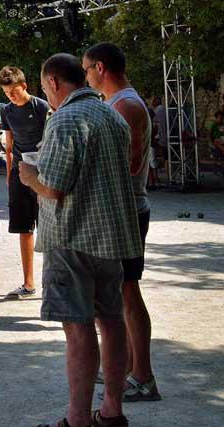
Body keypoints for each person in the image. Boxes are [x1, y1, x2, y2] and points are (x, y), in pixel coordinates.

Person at [18, 54, 141, 427]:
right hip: (112, 238)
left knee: (77, 327)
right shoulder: (112, 116)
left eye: (44, 88)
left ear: (54, 83)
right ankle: (112, 410)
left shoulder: (65, 119)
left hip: (72, 237)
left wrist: (28, 177)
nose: (46, 96)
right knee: (112, 321)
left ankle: (77, 419)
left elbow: (53, 188)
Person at [83, 42, 160, 403]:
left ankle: (143, 376)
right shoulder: (116, 104)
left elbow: (126, 166)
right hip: (122, 210)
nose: (84, 77)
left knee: (127, 293)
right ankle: (130, 368)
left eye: (86, 70)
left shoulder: (126, 106)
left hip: (127, 210)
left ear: (100, 68)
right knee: (120, 293)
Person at [0, 65, 50, 300]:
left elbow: (51, 140)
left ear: (24, 86)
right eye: (7, 92)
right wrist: (10, 174)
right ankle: (28, 284)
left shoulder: (41, 106)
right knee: (24, 228)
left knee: (49, 229)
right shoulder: (7, 111)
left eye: (15, 91)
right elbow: (9, 146)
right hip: (20, 174)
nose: (11, 96)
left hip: (43, 173)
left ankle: (53, 284)